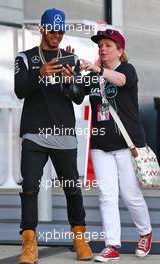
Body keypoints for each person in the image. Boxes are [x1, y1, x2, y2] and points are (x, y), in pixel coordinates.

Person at [14, 8, 93, 264]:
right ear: (42, 29)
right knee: (29, 187)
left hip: (63, 133)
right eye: (52, 30)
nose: (57, 35)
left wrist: (71, 81)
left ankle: (79, 238)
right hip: (35, 134)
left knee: (72, 189)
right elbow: (20, 91)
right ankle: (29, 243)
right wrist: (40, 74)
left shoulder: (70, 58)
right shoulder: (25, 58)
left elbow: (78, 97)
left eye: (60, 30)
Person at [80, 29, 152, 262]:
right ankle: (112, 245)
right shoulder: (92, 74)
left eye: (108, 45)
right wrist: (70, 75)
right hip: (100, 144)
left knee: (130, 195)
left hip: (126, 143)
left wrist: (99, 70)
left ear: (120, 51)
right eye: (100, 45)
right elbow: (74, 95)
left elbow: (120, 81)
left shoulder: (126, 70)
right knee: (106, 195)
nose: (102, 48)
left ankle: (145, 232)